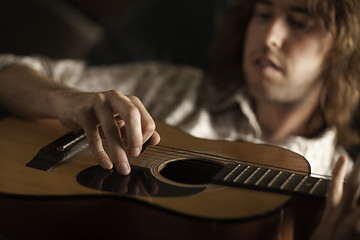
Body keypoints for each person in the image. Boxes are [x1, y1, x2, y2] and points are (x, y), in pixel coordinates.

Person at [0, 0, 359, 238]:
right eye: (263, 14)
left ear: (343, 51)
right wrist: (67, 100)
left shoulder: (338, 185)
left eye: (299, 23)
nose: (270, 37)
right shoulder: (175, 86)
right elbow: (9, 71)